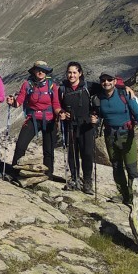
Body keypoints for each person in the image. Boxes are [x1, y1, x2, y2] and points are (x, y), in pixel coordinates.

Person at [92, 72, 138, 205]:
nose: (106, 82)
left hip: (126, 134)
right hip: (110, 135)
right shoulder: (98, 98)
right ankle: (123, 195)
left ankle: (134, 195)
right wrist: (94, 119)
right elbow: (98, 113)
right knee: (116, 166)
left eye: (109, 80)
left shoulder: (125, 95)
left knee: (131, 167)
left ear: (115, 81)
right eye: (103, 80)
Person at [7, 61, 62, 179]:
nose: (40, 72)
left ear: (46, 72)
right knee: (21, 145)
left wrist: (60, 112)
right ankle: (14, 172)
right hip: (32, 119)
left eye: (43, 70)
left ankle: (48, 175)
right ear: (34, 71)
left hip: (50, 120)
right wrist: (13, 103)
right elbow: (20, 101)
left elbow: (56, 104)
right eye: (38, 69)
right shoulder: (27, 84)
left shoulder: (53, 86)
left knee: (48, 150)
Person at [58, 61, 94, 193]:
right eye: (69, 72)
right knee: (72, 153)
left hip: (86, 125)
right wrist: (61, 113)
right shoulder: (62, 89)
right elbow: (57, 105)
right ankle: (74, 178)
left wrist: (125, 88)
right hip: (70, 125)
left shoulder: (88, 87)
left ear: (80, 73)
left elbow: (107, 87)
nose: (71, 75)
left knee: (87, 153)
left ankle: (88, 181)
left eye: (74, 72)